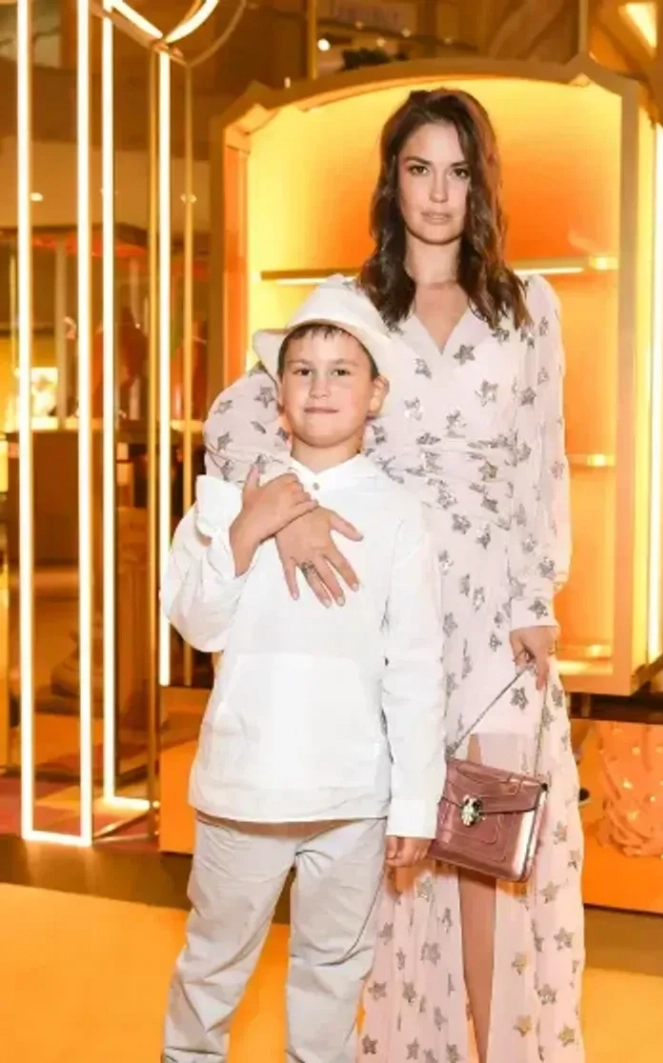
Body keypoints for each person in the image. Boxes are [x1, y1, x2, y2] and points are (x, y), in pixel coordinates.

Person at [203, 88, 584, 1062]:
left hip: (497, 625)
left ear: (481, 184)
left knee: (494, 859)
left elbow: (542, 458)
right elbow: (236, 419)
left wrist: (539, 595)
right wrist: (286, 509)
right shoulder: (351, 305)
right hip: (380, 616)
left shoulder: (527, 307)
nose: (439, 192)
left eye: (458, 171)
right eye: (420, 169)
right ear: (393, 181)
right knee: (393, 863)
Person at [161, 284, 447, 1063]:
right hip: (243, 788)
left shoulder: (398, 515)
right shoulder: (229, 496)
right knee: (212, 966)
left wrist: (414, 802)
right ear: (279, 392)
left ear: (375, 393)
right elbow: (195, 620)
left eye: (341, 370)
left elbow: (415, 668)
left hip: (353, 794)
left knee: (333, 974)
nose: (320, 387)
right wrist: (249, 527)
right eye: (302, 370)